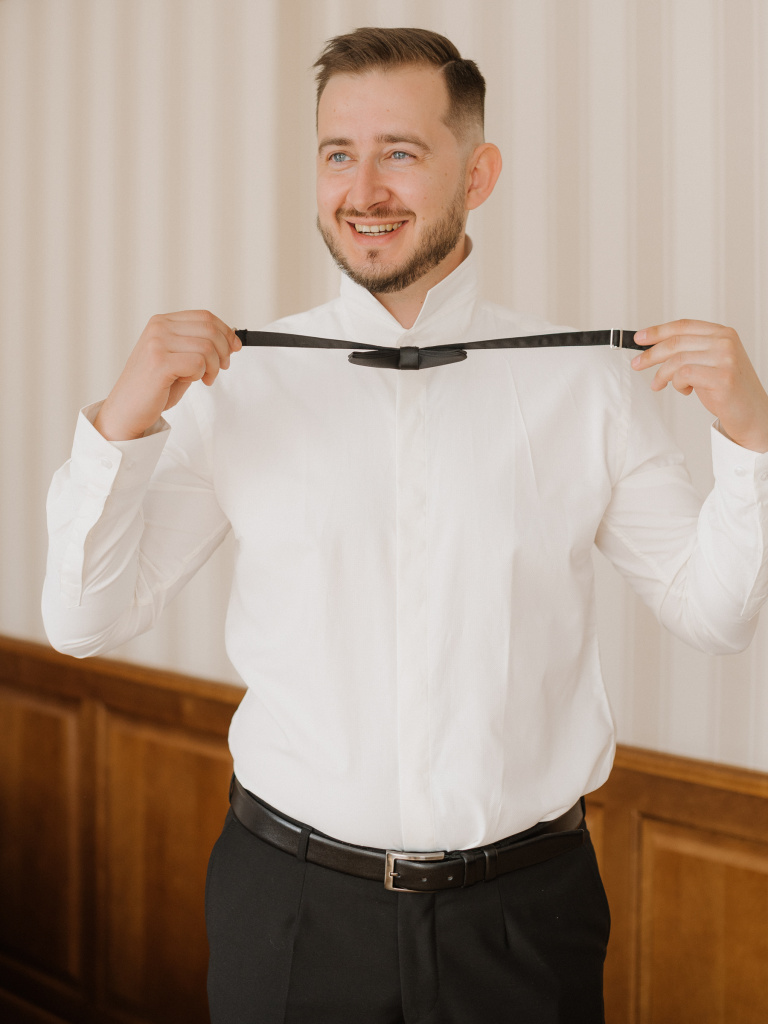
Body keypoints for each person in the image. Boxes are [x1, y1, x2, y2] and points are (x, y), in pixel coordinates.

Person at [43, 26, 768, 1024]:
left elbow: (716, 615)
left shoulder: (588, 385)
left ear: (479, 174)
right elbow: (84, 621)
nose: (364, 189)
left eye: (401, 152)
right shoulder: (233, 385)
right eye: (339, 153)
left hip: (525, 918)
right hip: (291, 912)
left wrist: (752, 435)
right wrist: (120, 423)